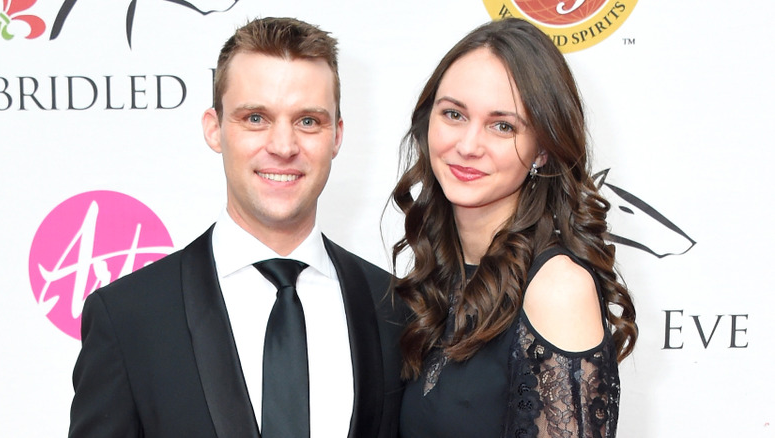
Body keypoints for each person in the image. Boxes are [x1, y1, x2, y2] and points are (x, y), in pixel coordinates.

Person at [69, 17, 403, 438]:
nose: (283, 146)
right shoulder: (128, 318)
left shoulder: (396, 310)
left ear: (336, 136)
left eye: (308, 121)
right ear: (214, 128)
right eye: (256, 118)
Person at [391, 18, 637, 438]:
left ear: (542, 149)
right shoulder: (444, 272)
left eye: (502, 126)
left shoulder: (556, 288)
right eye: (453, 114)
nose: (468, 145)